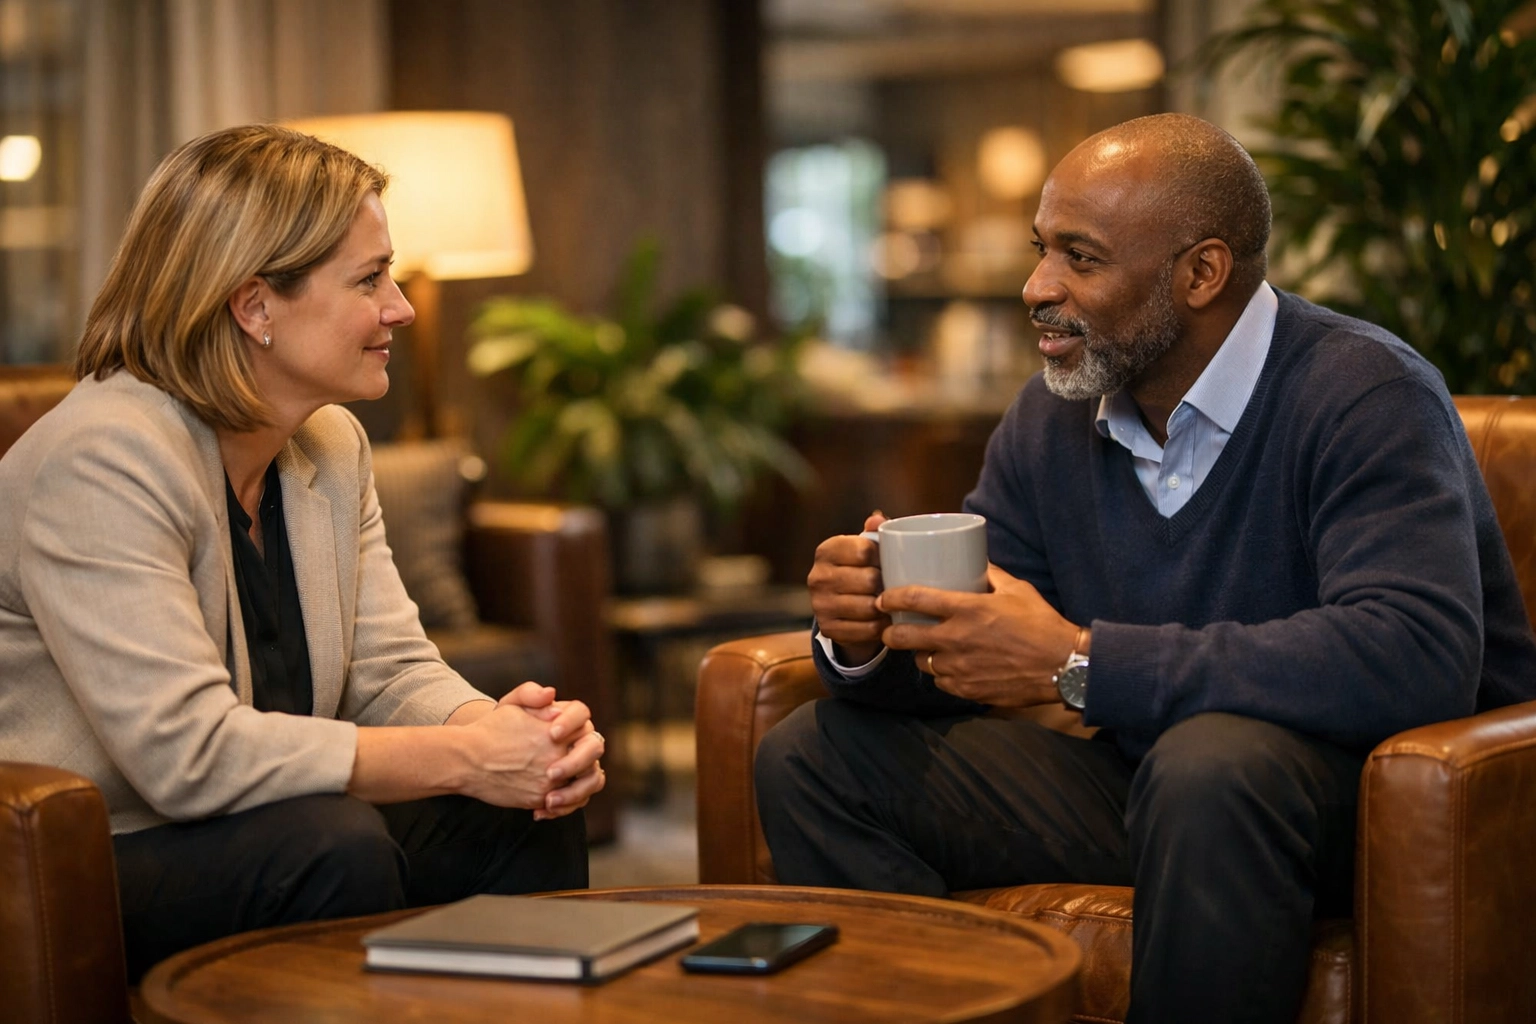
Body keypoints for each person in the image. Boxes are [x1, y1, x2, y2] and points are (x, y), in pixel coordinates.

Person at [755, 113, 1536, 1024]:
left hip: (1375, 801)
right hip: (1157, 784)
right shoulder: (1050, 419)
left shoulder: (1366, 393)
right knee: (813, 757)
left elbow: (1414, 652)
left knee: (1209, 764)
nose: (1036, 286)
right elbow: (973, 651)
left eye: (1080, 259)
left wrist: (1080, 661)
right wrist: (867, 632)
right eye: (1041, 249)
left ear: (1201, 273)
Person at [0, 124, 606, 981]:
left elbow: (391, 670)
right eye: (369, 279)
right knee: (332, 846)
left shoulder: (330, 444)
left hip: (263, 825)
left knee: (519, 808)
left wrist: (507, 737)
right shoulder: (100, 458)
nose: (399, 306)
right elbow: (188, 756)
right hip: (92, 852)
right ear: (254, 307)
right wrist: (468, 758)